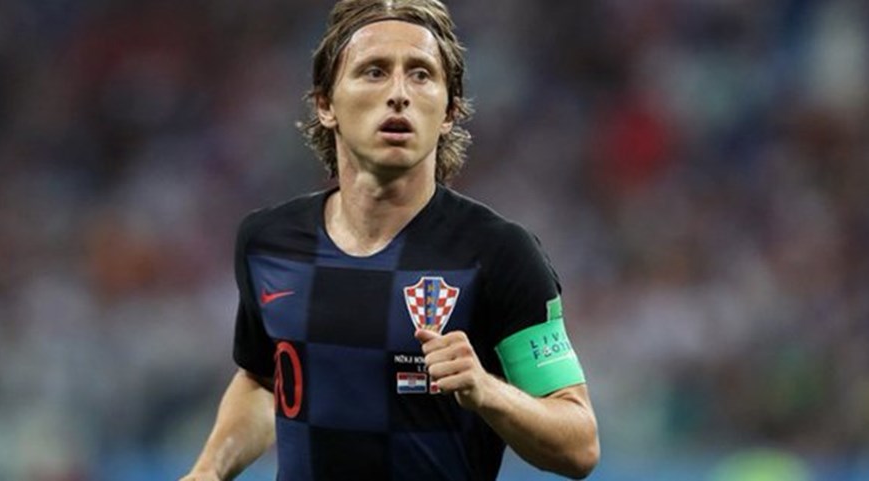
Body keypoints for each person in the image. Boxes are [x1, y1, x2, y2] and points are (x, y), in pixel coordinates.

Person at [180, 0, 599, 479]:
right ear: (325, 105)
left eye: (421, 74)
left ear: (449, 111)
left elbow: (579, 445)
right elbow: (262, 380)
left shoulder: (499, 253)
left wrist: (486, 391)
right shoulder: (269, 243)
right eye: (374, 71)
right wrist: (208, 471)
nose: (399, 94)